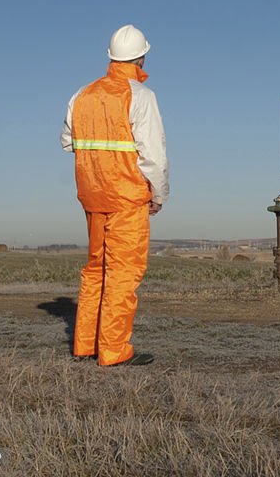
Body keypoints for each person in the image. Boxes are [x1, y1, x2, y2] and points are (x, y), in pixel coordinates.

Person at [60, 24, 169, 366]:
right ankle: (113, 350)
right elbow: (155, 154)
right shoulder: (141, 96)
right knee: (123, 273)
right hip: (127, 197)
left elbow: (68, 141)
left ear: (111, 57)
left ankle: (85, 345)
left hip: (92, 195)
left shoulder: (82, 95)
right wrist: (159, 193)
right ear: (142, 57)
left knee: (96, 269)